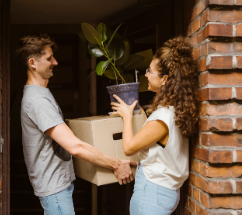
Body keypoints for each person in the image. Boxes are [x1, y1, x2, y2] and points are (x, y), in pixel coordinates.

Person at [15, 34, 136, 215]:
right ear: (32, 63)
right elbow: (75, 147)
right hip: (54, 189)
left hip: (57, 186)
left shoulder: (41, 93)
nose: (55, 62)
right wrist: (116, 164)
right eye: (49, 58)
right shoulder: (37, 100)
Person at [111, 36, 199, 215]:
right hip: (164, 192)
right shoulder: (174, 111)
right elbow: (165, 154)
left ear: (165, 79)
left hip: (152, 193)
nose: (146, 75)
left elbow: (128, 147)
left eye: (150, 71)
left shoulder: (162, 117)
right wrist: (143, 163)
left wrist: (127, 116)